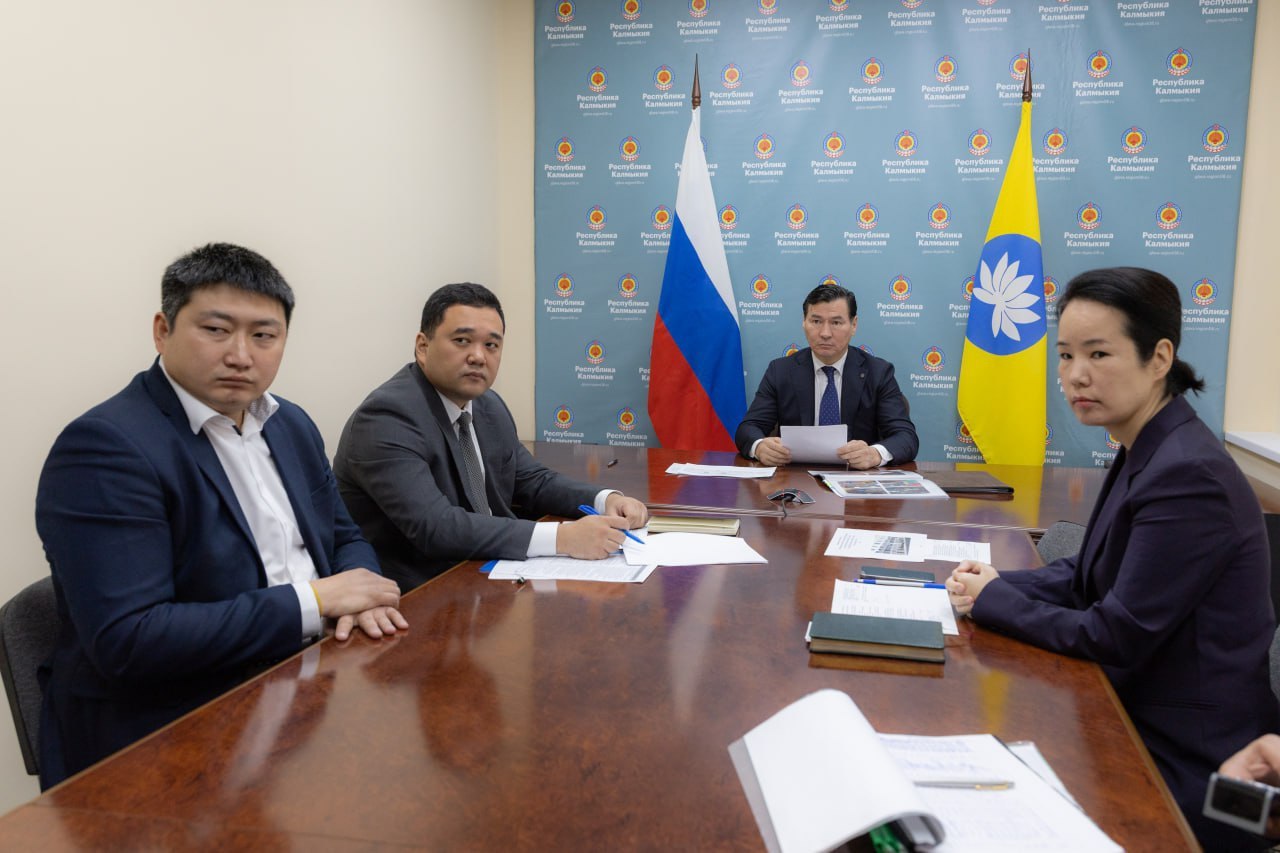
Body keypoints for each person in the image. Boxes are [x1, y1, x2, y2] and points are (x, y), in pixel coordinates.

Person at [34, 243, 406, 789]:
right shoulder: (106, 447)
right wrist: (318, 601)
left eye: (264, 335)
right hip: (168, 735)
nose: (240, 355)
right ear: (162, 330)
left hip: (304, 690)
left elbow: (343, 536)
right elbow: (131, 640)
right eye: (216, 330)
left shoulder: (289, 424)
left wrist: (362, 596)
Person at [945, 266, 1278, 851]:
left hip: (1186, 759)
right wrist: (1002, 584)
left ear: (1159, 357)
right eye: (1066, 355)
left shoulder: (1188, 474)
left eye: (1099, 354)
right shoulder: (1148, 443)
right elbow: (1090, 572)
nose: (1076, 374)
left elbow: (1115, 635)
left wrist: (995, 602)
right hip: (1128, 711)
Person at [334, 282, 648, 592]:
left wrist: (605, 500)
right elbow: (436, 527)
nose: (478, 356)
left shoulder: (487, 405)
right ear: (423, 346)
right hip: (420, 593)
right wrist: (563, 538)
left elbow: (532, 480)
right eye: (462, 341)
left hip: (485, 576)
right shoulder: (387, 417)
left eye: (491, 345)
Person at [734, 283, 918, 468]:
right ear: (804, 322)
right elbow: (748, 428)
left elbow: (906, 437)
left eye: (836, 323)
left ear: (853, 325)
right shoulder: (780, 371)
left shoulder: (878, 372)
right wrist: (759, 447)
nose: (825, 333)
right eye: (816, 321)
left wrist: (874, 454)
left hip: (857, 478)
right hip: (795, 477)